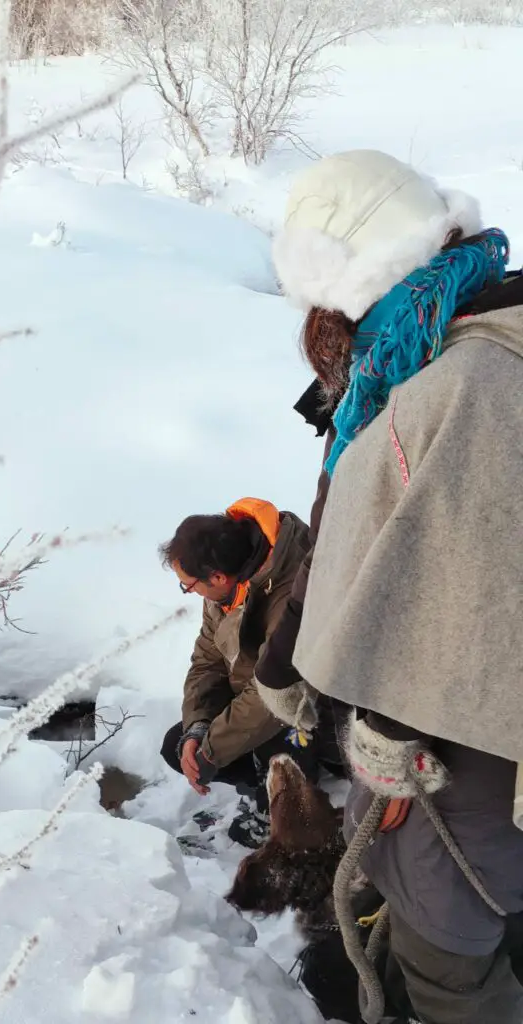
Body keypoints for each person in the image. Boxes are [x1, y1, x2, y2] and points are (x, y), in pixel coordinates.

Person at [256, 149, 523, 1023]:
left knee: (453, 949)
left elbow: (445, 574)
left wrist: (386, 727)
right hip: (475, 722)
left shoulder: (458, 385)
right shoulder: (475, 333)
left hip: (464, 742)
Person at [159, 497, 340, 848]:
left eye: (189, 584)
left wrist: (213, 750)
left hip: (315, 710)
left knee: (278, 735)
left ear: (217, 576)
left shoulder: (292, 592)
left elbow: (279, 692)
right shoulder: (224, 589)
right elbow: (207, 660)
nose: (190, 592)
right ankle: (264, 785)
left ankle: (292, 798)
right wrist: (198, 728)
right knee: (177, 747)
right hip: (257, 696)